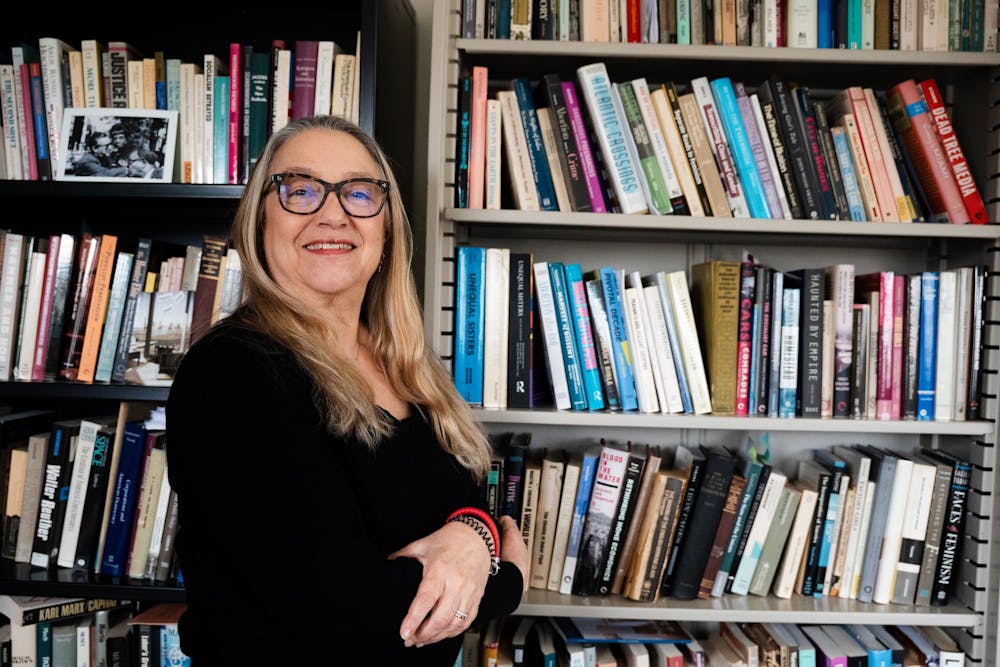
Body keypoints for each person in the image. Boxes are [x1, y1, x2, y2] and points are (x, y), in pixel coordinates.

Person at [165, 115, 528, 665]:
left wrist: (472, 537)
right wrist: (508, 579)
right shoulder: (233, 373)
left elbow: (467, 506)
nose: (331, 213)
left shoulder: (402, 361)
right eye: (301, 190)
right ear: (259, 222)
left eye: (359, 193)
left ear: (385, 231)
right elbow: (345, 611)